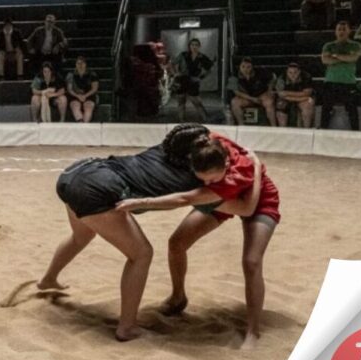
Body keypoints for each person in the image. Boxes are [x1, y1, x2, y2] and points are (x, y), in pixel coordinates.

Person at [38, 124, 263, 342]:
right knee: (141, 254)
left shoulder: (167, 149)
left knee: (81, 236)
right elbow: (244, 208)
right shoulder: (194, 183)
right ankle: (127, 328)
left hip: (76, 172)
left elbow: (203, 137)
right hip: (95, 190)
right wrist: (255, 168)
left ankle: (48, 279)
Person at [115, 131, 276, 349]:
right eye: (203, 179)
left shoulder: (239, 173)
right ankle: (178, 297)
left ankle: (253, 331)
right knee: (177, 243)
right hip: (220, 199)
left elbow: (245, 208)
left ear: (225, 164)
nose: (206, 182)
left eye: (211, 179)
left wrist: (256, 168)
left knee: (252, 261)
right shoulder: (209, 144)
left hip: (257, 201)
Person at [320, 21, 361, 131]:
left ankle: (356, 132)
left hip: (348, 82)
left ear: (349, 31)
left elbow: (353, 58)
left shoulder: (356, 45)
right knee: (326, 108)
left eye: (344, 29)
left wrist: (335, 56)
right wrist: (345, 58)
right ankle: (323, 130)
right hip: (331, 81)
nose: (341, 32)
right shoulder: (328, 45)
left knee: (352, 109)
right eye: (339, 29)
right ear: (335, 31)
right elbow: (325, 60)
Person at [172, 38, 213, 121]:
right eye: (192, 45)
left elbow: (209, 69)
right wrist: (175, 74)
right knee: (181, 102)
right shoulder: (183, 55)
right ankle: (181, 121)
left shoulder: (202, 57)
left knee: (197, 103)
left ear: (199, 46)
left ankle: (206, 121)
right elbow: (172, 63)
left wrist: (201, 77)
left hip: (193, 81)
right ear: (189, 46)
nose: (194, 47)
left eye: (196, 45)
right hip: (182, 80)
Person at [228, 57, 275, 126]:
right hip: (247, 97)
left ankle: (274, 126)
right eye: (243, 67)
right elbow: (236, 92)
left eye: (248, 67)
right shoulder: (234, 76)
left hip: (261, 96)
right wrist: (252, 99)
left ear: (252, 67)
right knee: (234, 102)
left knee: (269, 102)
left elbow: (273, 77)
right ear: (239, 67)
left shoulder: (261, 72)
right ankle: (241, 125)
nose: (245, 69)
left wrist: (269, 90)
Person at [274, 62, 315, 128]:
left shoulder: (306, 76)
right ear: (287, 72)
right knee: (280, 105)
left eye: (295, 72)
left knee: (308, 106)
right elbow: (281, 95)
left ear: (299, 72)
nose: (292, 75)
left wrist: (287, 93)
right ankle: (282, 130)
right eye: (290, 72)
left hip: (301, 99)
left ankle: (307, 130)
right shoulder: (281, 78)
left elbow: (307, 93)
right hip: (297, 98)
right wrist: (303, 97)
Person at [66, 56, 99, 123]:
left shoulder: (92, 74)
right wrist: (78, 96)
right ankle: (81, 123)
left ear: (85, 64)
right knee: (75, 106)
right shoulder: (70, 75)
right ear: (76, 65)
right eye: (78, 63)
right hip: (75, 96)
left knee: (88, 107)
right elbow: (69, 89)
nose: (80, 65)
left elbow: (94, 88)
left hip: (89, 96)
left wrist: (85, 96)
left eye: (82, 63)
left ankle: (84, 125)